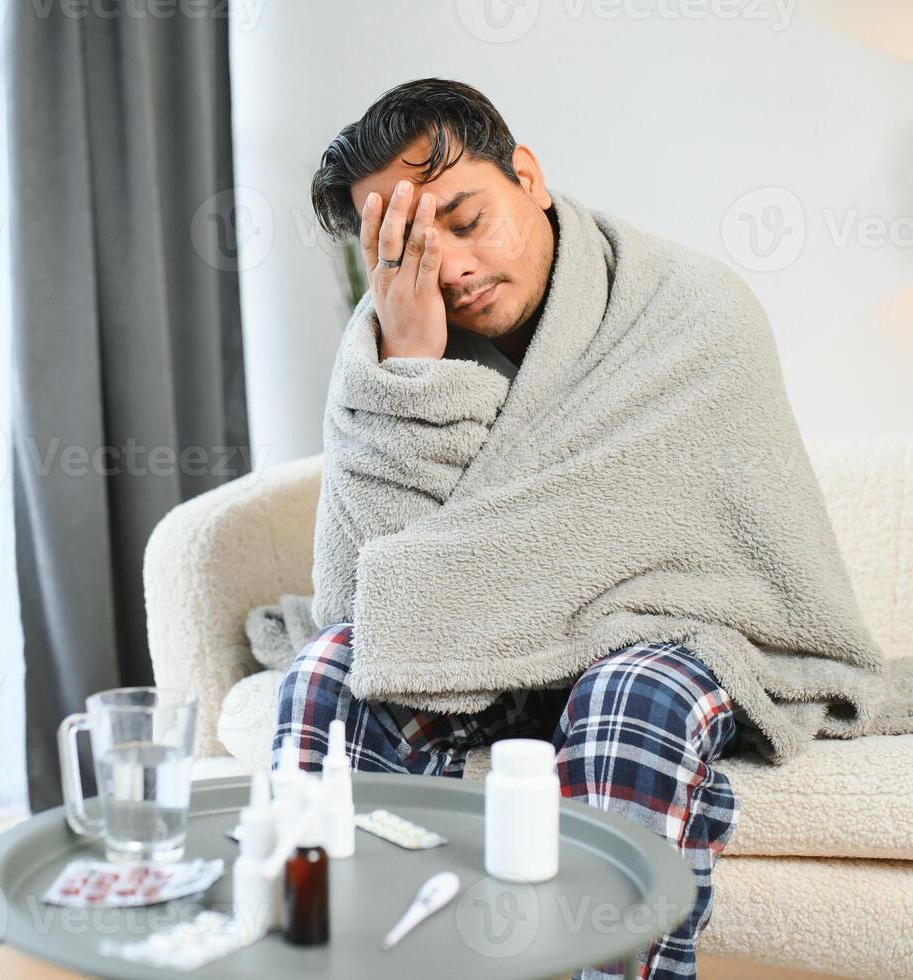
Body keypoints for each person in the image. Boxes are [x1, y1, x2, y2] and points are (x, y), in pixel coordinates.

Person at [273, 77, 748, 980]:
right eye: (403, 245)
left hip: (655, 632)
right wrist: (410, 373)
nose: (446, 266)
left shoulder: (687, 307)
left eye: (462, 218)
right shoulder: (381, 347)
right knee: (328, 669)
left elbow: (711, 549)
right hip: (472, 644)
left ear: (526, 174)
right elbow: (373, 594)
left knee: (629, 700)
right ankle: (328, 962)